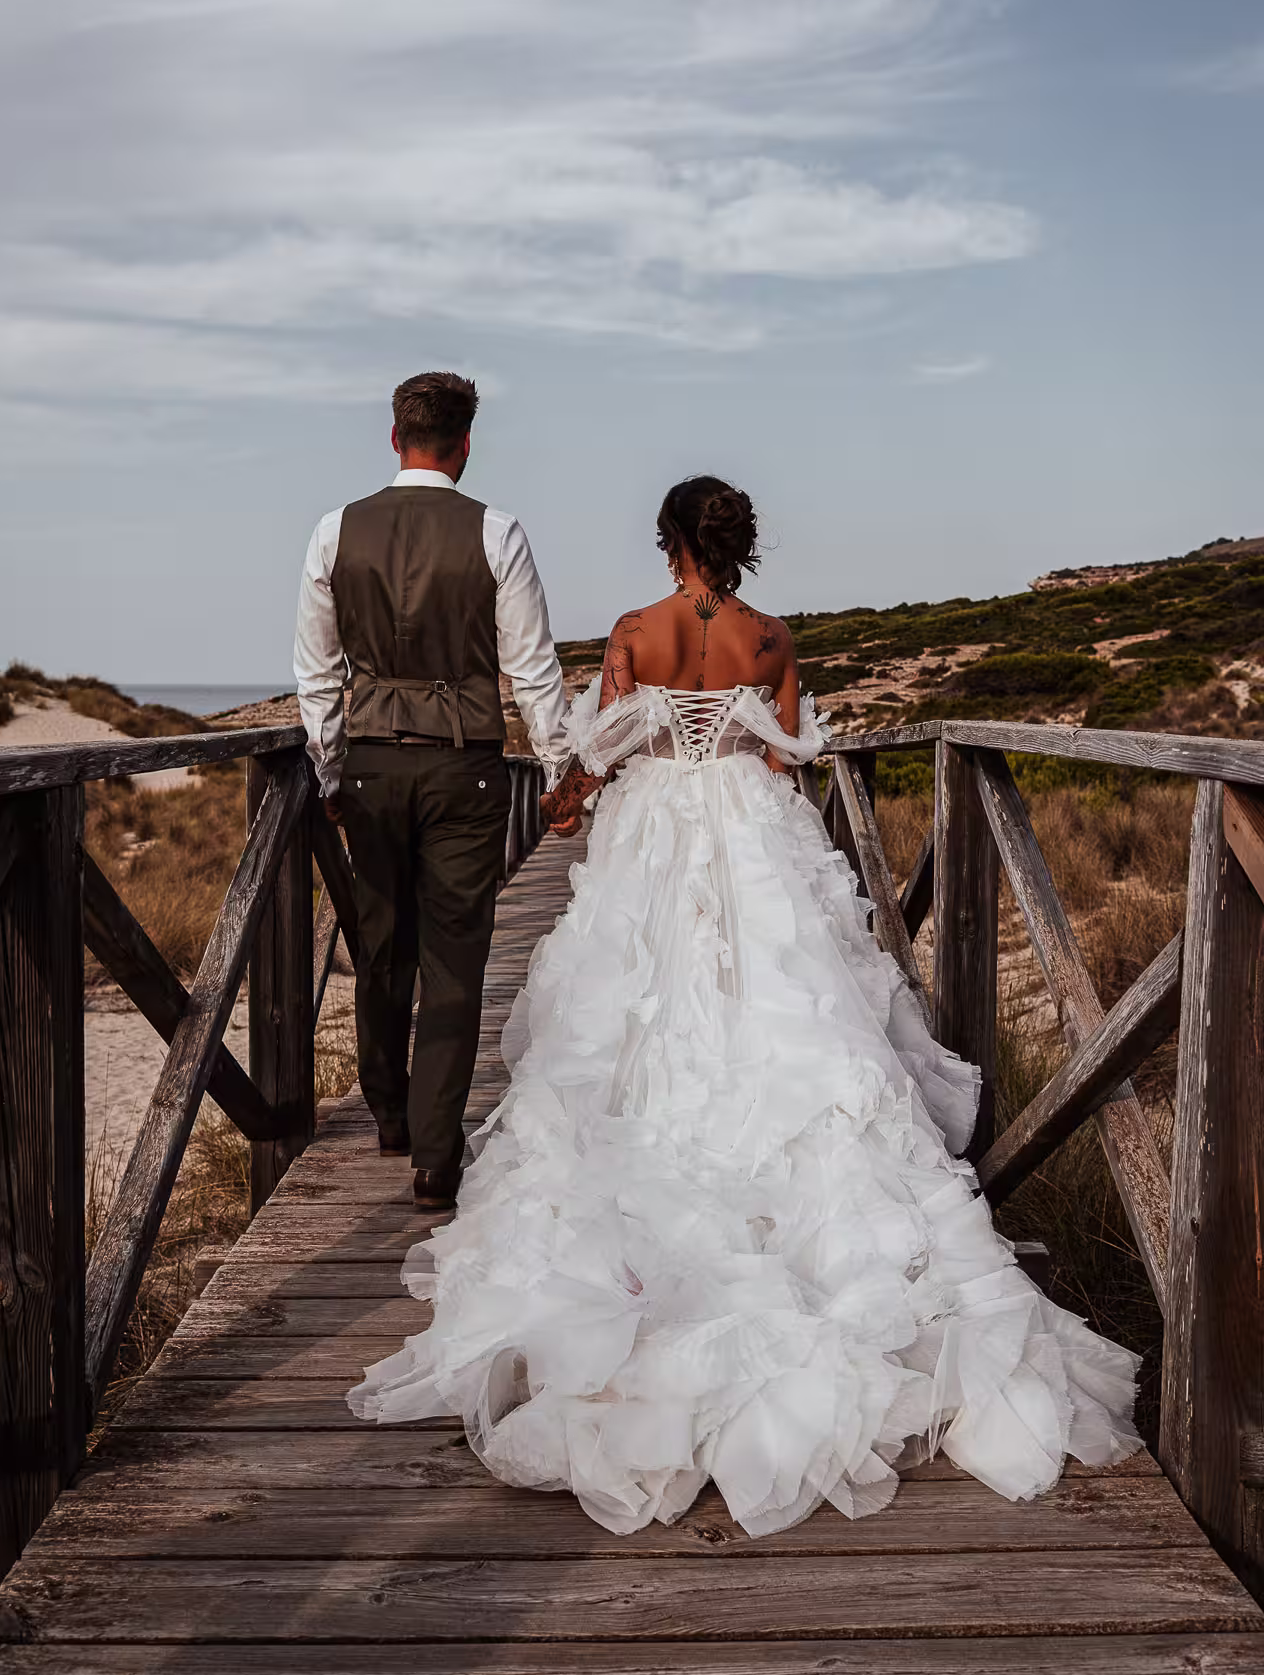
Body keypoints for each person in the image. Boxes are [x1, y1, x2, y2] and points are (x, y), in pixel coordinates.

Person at [348, 475, 1141, 1537]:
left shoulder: (636, 631)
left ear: (669, 539)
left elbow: (603, 747)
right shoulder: (771, 640)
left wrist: (566, 802)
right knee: (786, 1001)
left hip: (659, 832)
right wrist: (745, 762)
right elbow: (782, 753)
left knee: (637, 1010)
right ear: (738, 545)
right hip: (748, 827)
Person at [294, 371, 571, 1210]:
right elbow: (530, 671)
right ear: (465, 444)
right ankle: (437, 1157)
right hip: (467, 768)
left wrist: (333, 774)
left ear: (393, 437)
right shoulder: (497, 532)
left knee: (381, 946)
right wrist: (560, 771)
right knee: (456, 961)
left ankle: (387, 1111)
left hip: (373, 762)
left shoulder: (333, 531)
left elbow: (317, 676)